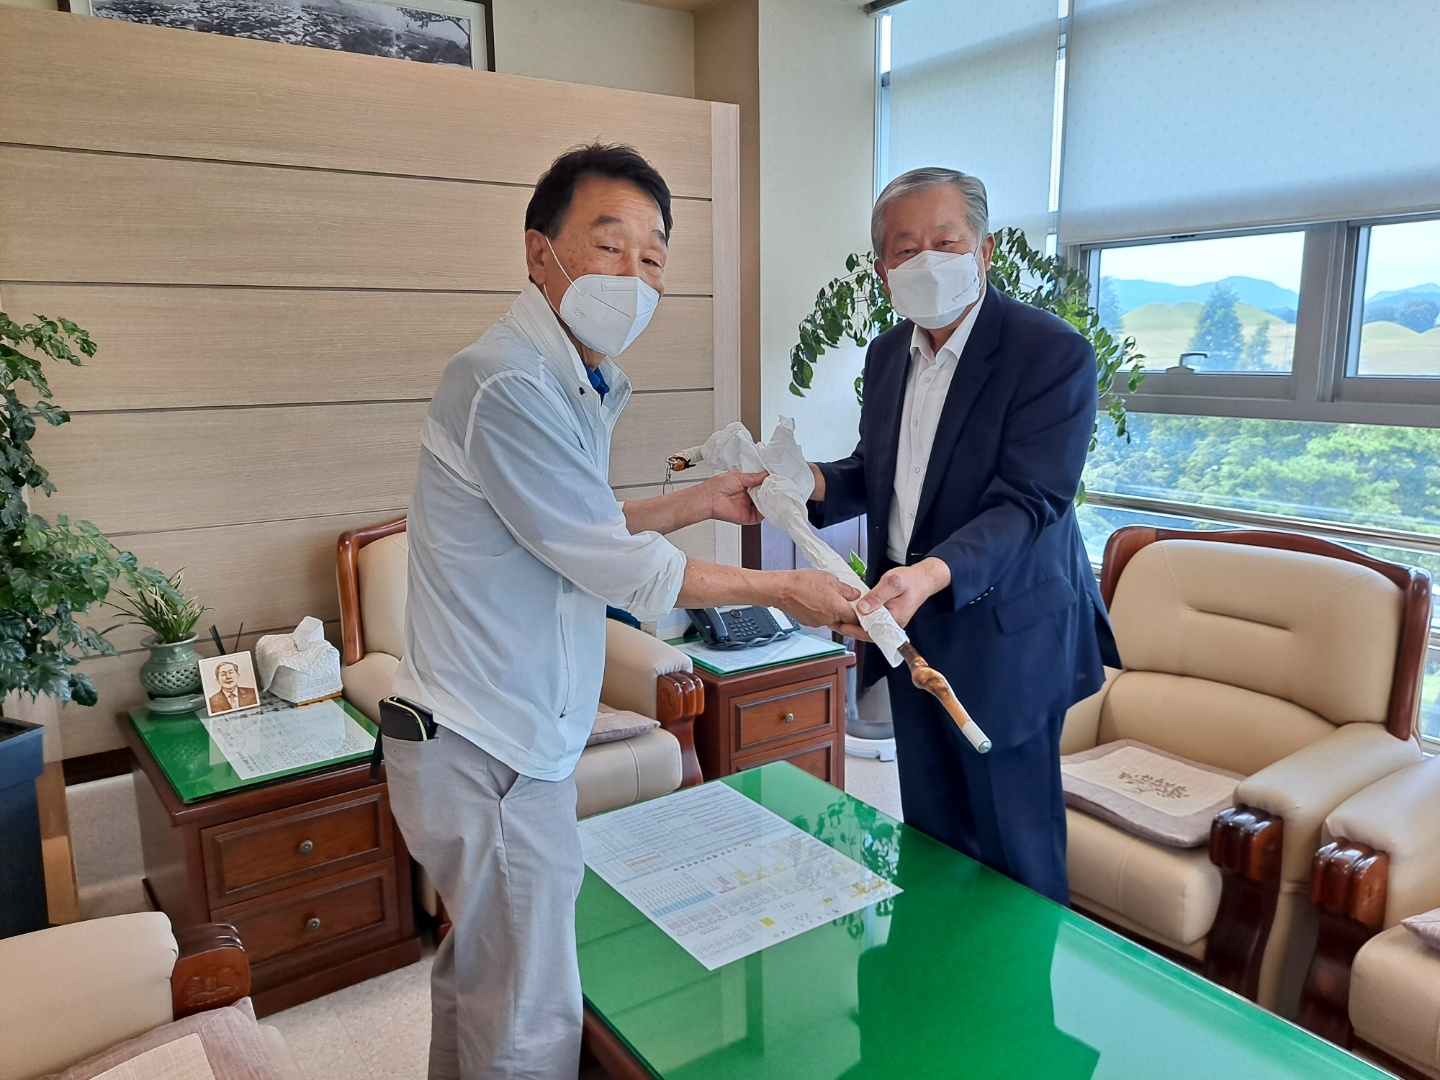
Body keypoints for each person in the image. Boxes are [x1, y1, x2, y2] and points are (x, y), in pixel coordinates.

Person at [384, 143, 859, 1080]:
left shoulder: (567, 377)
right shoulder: (508, 382)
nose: (633, 277)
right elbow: (617, 564)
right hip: (491, 748)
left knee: (484, 977)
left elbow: (572, 525)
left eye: (652, 257)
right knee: (530, 1016)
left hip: (493, 738)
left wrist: (700, 500)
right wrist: (786, 591)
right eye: (609, 246)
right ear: (539, 251)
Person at [811, 167, 1120, 905]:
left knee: (1016, 859)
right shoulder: (887, 354)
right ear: (882, 269)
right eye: (904, 248)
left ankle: (1021, 987)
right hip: (911, 629)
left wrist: (930, 574)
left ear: (983, 251)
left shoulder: (1051, 353)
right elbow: (880, 473)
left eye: (944, 242)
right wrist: (804, 481)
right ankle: (933, 975)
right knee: (932, 839)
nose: (926, 261)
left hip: (1008, 634)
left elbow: (1030, 500)